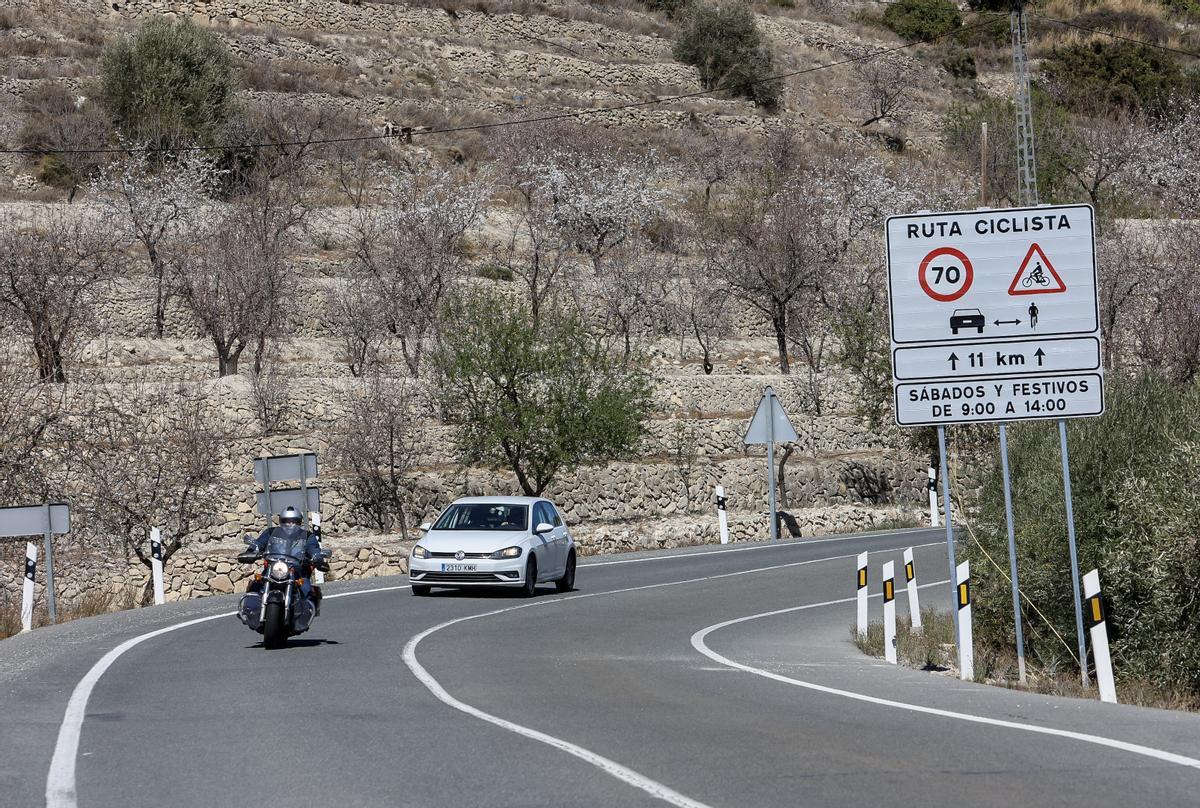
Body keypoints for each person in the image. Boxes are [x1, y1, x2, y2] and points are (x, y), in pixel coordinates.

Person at [244, 506, 325, 615]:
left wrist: (317, 557)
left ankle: (306, 612)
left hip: (296, 571)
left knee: (306, 586)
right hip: (273, 568)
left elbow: (313, 548)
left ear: (299, 522)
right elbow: (260, 543)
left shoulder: (307, 536)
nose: (290, 524)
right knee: (257, 583)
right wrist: (252, 550)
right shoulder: (270, 532)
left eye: (293, 521)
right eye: (286, 521)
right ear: (281, 521)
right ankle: (249, 610)